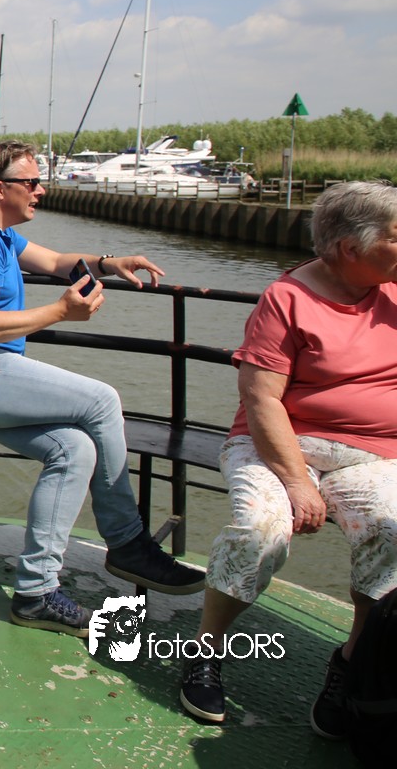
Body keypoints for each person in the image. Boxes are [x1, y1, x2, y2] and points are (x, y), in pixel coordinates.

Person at [0, 141, 204, 638]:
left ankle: (35, 593)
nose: (41, 190)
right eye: (32, 182)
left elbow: (56, 261)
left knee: (74, 449)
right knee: (101, 399)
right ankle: (128, 543)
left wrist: (108, 262)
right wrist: (61, 312)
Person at [179, 182, 397, 734]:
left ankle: (352, 665)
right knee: (259, 530)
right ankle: (206, 651)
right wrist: (297, 482)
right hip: (279, 445)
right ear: (351, 248)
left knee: (393, 532)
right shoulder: (287, 299)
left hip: (373, 454)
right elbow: (261, 399)